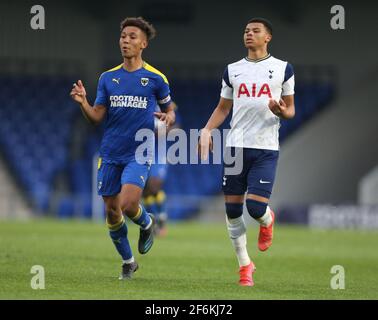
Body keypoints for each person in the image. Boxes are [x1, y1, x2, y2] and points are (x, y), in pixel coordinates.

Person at [70, 17, 176, 280]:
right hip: (110, 153)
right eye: (123, 36)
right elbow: (96, 116)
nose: (125, 41)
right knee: (111, 210)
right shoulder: (108, 78)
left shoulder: (155, 78)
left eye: (131, 37)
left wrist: (169, 118)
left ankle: (147, 222)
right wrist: (83, 102)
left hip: (139, 151)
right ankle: (128, 262)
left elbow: (169, 110)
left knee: (129, 204)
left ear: (143, 43)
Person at [199, 17, 295, 286]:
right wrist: (206, 130)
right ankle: (245, 266)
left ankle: (267, 219)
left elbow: (291, 109)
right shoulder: (232, 70)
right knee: (231, 211)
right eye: (246, 30)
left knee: (254, 208)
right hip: (236, 146)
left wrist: (281, 111)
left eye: (255, 31)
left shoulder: (283, 69)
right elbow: (223, 107)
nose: (249, 34)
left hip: (265, 148)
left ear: (268, 37)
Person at [143, 102, 182, 237]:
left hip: (160, 152)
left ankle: (162, 221)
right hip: (143, 151)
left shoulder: (168, 105)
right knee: (146, 191)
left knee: (155, 186)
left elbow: (177, 126)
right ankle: (151, 223)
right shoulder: (144, 101)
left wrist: (163, 130)